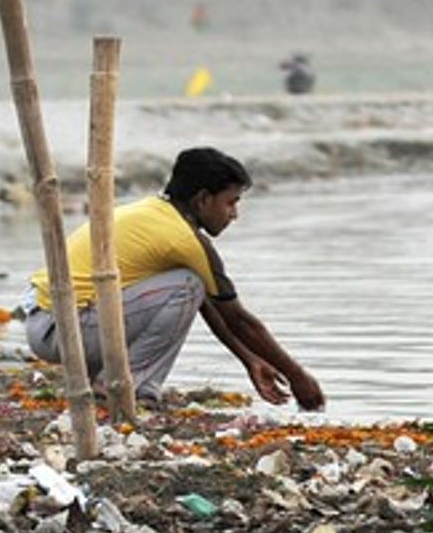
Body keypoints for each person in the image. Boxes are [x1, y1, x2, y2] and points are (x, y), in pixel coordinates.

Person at [21, 147, 324, 410]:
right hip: (61, 331)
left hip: (46, 320)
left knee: (189, 285)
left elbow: (207, 305)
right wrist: (298, 377)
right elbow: (240, 321)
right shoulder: (184, 239)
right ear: (203, 199)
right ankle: (126, 386)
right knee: (187, 285)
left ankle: (124, 382)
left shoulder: (155, 212)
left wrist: (249, 360)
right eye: (230, 203)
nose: (234, 215)